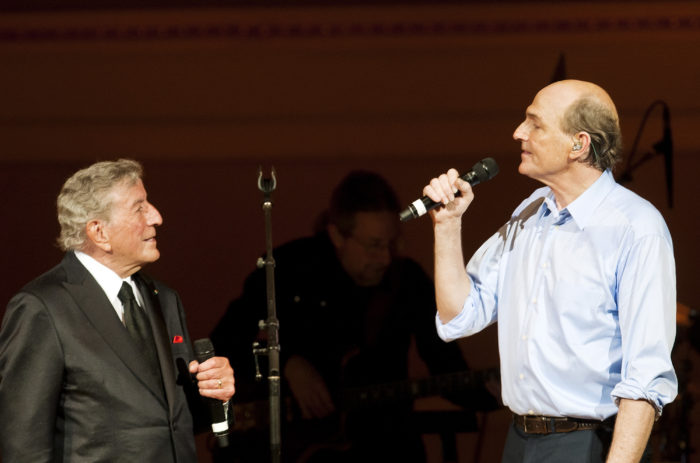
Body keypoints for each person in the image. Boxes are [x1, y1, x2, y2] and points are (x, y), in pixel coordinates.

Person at [421, 79, 677, 462]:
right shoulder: (531, 210)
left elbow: (645, 378)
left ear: (579, 143)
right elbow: (461, 315)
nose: (518, 132)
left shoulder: (635, 228)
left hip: (585, 443)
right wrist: (447, 227)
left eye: (535, 124)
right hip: (519, 438)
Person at [211, 170, 498, 463]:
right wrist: (286, 363)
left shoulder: (407, 279)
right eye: (374, 245)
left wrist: (499, 394)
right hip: (294, 449)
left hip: (386, 444)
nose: (385, 257)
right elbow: (224, 343)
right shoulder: (289, 267)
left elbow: (445, 363)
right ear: (336, 235)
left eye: (391, 244)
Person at [0, 159, 235, 462]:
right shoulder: (42, 307)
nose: (157, 217)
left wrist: (217, 394)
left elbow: (171, 421)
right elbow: (23, 444)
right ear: (99, 232)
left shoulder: (164, 299)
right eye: (140, 207)